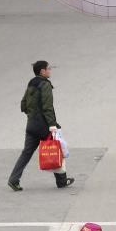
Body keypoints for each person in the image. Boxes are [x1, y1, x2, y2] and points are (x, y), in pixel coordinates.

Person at [8, 60, 74, 191]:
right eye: (48, 68)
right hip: (44, 125)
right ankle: (61, 181)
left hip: (31, 125)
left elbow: (23, 105)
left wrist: (32, 116)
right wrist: (52, 125)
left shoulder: (31, 83)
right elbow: (47, 107)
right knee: (56, 149)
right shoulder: (45, 84)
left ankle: (13, 180)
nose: (50, 70)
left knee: (26, 153)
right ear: (42, 71)